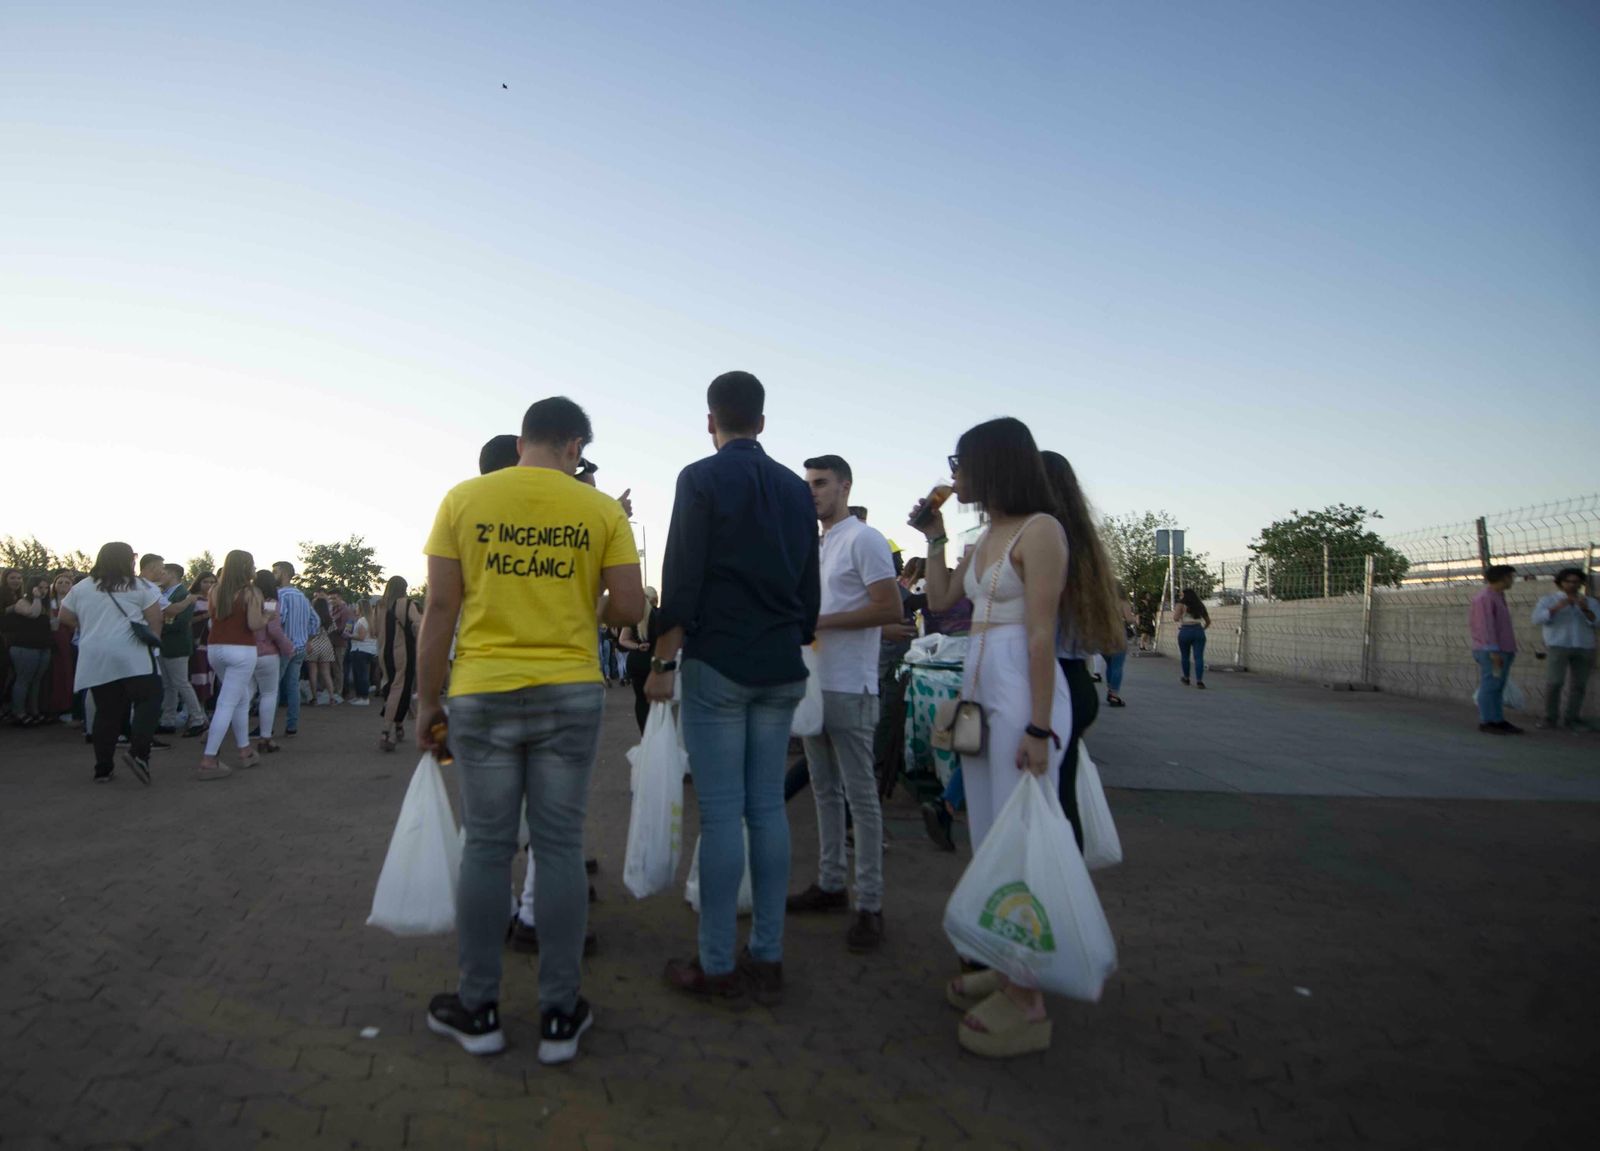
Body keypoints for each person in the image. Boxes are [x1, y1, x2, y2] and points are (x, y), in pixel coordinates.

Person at [416, 395, 642, 1063]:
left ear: (522, 441)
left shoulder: (464, 499)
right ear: (574, 446)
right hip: (571, 690)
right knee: (561, 845)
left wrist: (428, 700)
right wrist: (580, 607)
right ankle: (558, 1014)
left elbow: (438, 606)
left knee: (486, 846)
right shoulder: (600, 509)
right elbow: (629, 605)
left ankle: (479, 1007)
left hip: (482, 690)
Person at [644, 371, 819, 1006]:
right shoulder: (797, 490)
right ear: (763, 423)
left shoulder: (700, 478)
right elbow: (809, 582)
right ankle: (767, 955)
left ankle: (716, 961)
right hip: (781, 662)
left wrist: (663, 664)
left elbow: (681, 573)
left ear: (711, 421)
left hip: (719, 660)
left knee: (720, 814)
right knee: (766, 807)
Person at [911, 417, 1072, 1059]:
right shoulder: (988, 534)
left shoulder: (1042, 531)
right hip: (982, 690)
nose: (953, 472)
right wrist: (936, 538)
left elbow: (1041, 635)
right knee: (988, 836)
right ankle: (1005, 969)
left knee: (1021, 844)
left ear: (993, 462)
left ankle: (1028, 999)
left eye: (961, 460)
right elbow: (945, 596)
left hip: (1020, 693)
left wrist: (1038, 726)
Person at [786, 454, 901, 952]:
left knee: (861, 799)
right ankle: (831, 883)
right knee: (825, 792)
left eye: (821, 483)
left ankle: (870, 904)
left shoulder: (865, 539)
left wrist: (819, 621)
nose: (812, 491)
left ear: (845, 486)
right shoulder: (818, 544)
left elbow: (889, 608)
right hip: (816, 684)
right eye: (808, 483)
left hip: (853, 686)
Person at [1040, 450, 1125, 840]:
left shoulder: (1044, 539)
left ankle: (1060, 891)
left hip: (1054, 681)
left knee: (1051, 804)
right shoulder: (1080, 542)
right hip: (1075, 680)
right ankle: (1063, 889)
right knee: (1059, 799)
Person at [57, 543, 166, 783]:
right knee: (150, 699)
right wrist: (153, 640)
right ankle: (139, 752)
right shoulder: (139, 585)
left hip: (94, 654)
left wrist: (91, 629)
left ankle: (103, 768)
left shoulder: (82, 586)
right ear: (128, 560)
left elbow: (63, 616)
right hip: (133, 654)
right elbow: (155, 618)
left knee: (106, 711)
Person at [198, 551, 265, 778]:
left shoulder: (215, 590)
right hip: (241, 650)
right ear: (247, 567)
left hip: (216, 648)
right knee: (227, 703)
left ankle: (245, 750)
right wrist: (268, 618)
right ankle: (209, 759)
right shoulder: (251, 592)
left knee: (240, 697)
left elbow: (212, 617)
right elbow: (254, 624)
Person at [1531, 568, 1598, 732]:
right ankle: (1550, 718)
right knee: (1555, 682)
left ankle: (1572, 718)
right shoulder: (1548, 600)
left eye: (1576, 582)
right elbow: (1536, 618)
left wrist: (1585, 609)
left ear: (1581, 583)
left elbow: (1597, 622)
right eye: (1568, 581)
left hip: (1583, 645)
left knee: (1579, 685)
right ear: (1560, 583)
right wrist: (1556, 608)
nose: (1572, 585)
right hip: (1558, 645)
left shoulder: (1590, 602)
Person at [153, 562, 206, 737]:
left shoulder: (183, 594)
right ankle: (168, 720)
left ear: (173, 574)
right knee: (169, 685)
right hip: (166, 644)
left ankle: (198, 718)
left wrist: (157, 626)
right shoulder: (165, 593)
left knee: (181, 682)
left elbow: (181, 622)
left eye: (164, 573)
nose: (160, 575)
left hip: (176, 644)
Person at [1470, 564, 1521, 735]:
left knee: (1498, 686)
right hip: (1492, 650)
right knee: (1490, 685)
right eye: (1510, 577)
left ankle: (1497, 719)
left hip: (1503, 648)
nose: (1512, 580)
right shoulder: (1485, 598)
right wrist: (1493, 651)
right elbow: (1486, 626)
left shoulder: (1498, 596)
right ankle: (1487, 720)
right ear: (1503, 577)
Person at [375, 575, 421, 751]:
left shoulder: (380, 605)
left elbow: (374, 630)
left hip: (383, 653)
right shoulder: (406, 603)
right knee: (400, 688)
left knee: (392, 687)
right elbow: (418, 624)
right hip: (403, 652)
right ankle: (386, 732)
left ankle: (399, 724)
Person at [272, 562, 317, 736]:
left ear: (283, 573)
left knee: (272, 687)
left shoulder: (280, 595)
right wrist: (308, 639)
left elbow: (279, 619)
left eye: (275, 571)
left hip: (284, 647)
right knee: (293, 686)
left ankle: (267, 727)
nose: (273, 574)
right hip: (300, 647)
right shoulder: (302, 596)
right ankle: (292, 725)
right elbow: (315, 621)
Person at [5, 574, 54, 725]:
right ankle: (19, 712)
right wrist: (37, 598)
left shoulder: (47, 606)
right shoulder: (22, 602)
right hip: (24, 647)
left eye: (46, 588)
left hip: (42, 647)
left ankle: (34, 711)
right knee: (23, 680)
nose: (44, 590)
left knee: (36, 681)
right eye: (40, 587)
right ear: (32, 588)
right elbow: (33, 613)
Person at [251, 570, 289, 754]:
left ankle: (240, 738)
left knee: (244, 696)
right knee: (268, 694)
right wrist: (288, 647)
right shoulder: (271, 603)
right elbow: (274, 630)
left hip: (247, 651)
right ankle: (265, 737)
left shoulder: (248, 601)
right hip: (267, 652)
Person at [618, 588, 660, 733]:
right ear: (655, 599)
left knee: (640, 700)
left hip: (636, 662)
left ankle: (645, 735)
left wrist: (637, 646)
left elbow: (622, 640)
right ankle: (654, 736)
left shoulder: (634, 616)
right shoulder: (658, 615)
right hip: (653, 662)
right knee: (655, 702)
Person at [47, 570, 79, 721]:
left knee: (70, 672)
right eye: (60, 582)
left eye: (67, 583)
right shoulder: (49, 603)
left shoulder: (77, 603)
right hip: (54, 642)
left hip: (72, 640)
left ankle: (70, 706)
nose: (63, 585)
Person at [1104, 582, 1136, 707]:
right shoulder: (1123, 603)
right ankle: (1114, 695)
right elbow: (1129, 619)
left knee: (1109, 665)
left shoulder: (1102, 602)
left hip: (1103, 636)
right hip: (1118, 634)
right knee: (1117, 665)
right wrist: (1135, 619)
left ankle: (1109, 690)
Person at [305, 597, 339, 704]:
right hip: (325, 644)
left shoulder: (310, 617)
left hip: (312, 644)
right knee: (326, 673)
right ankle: (332, 697)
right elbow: (333, 630)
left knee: (313, 672)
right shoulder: (329, 618)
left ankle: (314, 698)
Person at [1175, 588, 1210, 688]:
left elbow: (1175, 618)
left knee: (1185, 656)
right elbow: (1208, 621)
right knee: (1199, 657)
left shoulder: (1180, 605)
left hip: (1185, 630)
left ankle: (1186, 678)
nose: (1180, 597)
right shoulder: (1200, 605)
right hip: (1198, 630)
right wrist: (1203, 629)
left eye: (1181, 595)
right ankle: (1199, 681)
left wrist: (1182, 614)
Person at [346, 599, 377, 705]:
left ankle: (363, 697)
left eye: (357, 607)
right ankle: (360, 696)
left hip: (360, 650)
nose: (355, 609)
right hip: (370, 650)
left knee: (360, 674)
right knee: (361, 673)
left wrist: (349, 635)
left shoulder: (362, 620)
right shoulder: (371, 620)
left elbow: (361, 636)